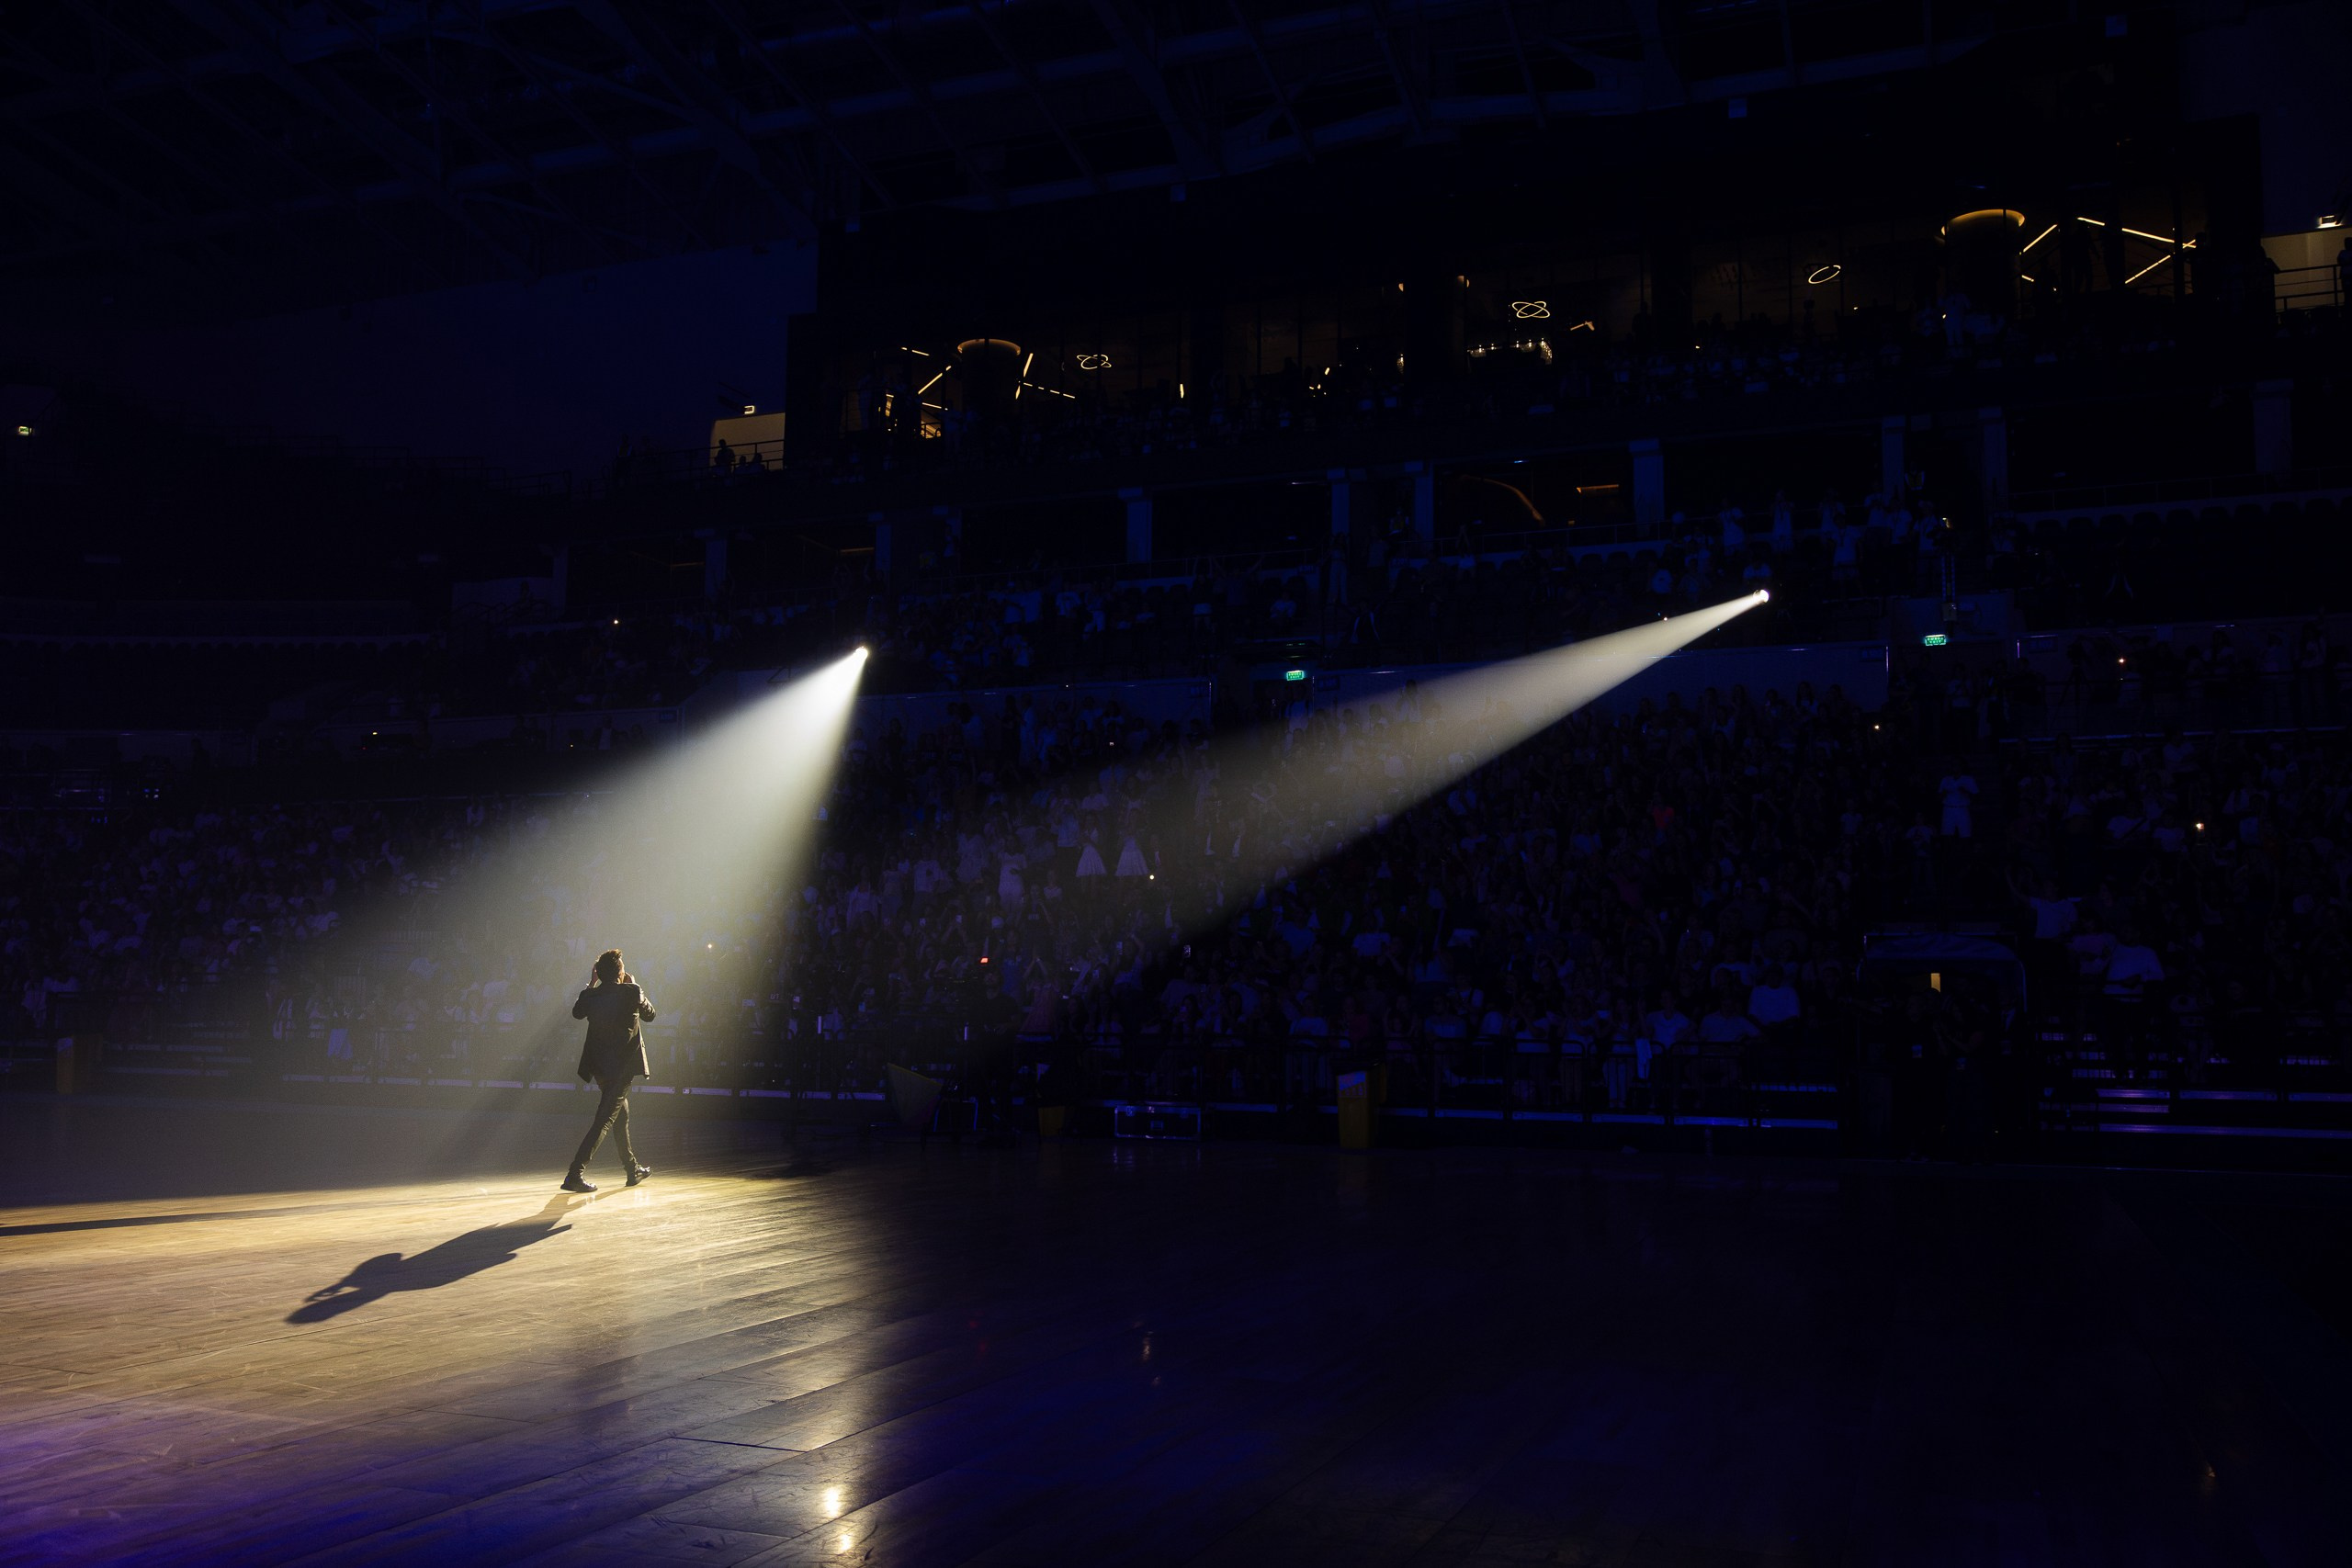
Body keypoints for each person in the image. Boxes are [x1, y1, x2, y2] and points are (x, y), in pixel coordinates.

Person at [563, 948, 657, 1192]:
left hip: (600, 1068)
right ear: (620, 972)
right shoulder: (631, 992)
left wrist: (592, 984)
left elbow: (576, 1012)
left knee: (620, 1115)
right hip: (621, 1069)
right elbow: (651, 1015)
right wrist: (636, 986)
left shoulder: (591, 996)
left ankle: (632, 1169)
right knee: (604, 1120)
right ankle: (574, 1174)